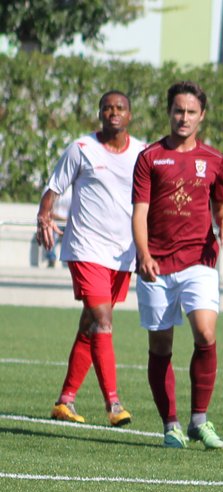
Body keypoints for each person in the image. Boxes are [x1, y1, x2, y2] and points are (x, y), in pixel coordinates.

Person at [131, 80, 223, 449]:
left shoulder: (214, 159)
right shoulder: (150, 157)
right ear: (169, 112)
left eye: (191, 111)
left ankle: (199, 420)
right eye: (178, 110)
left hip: (199, 259)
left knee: (206, 334)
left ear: (202, 115)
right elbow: (140, 212)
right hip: (156, 264)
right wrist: (143, 254)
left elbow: (221, 205)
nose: (184, 117)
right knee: (161, 345)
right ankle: (171, 425)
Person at [36, 90, 146, 426]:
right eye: (107, 108)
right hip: (86, 248)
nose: (113, 112)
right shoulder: (81, 148)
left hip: (122, 253)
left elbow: (151, 199)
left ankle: (65, 401)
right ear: (100, 113)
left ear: (129, 115)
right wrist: (43, 217)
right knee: (103, 320)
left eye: (120, 108)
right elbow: (53, 188)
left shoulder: (142, 152)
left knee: (90, 324)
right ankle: (113, 404)